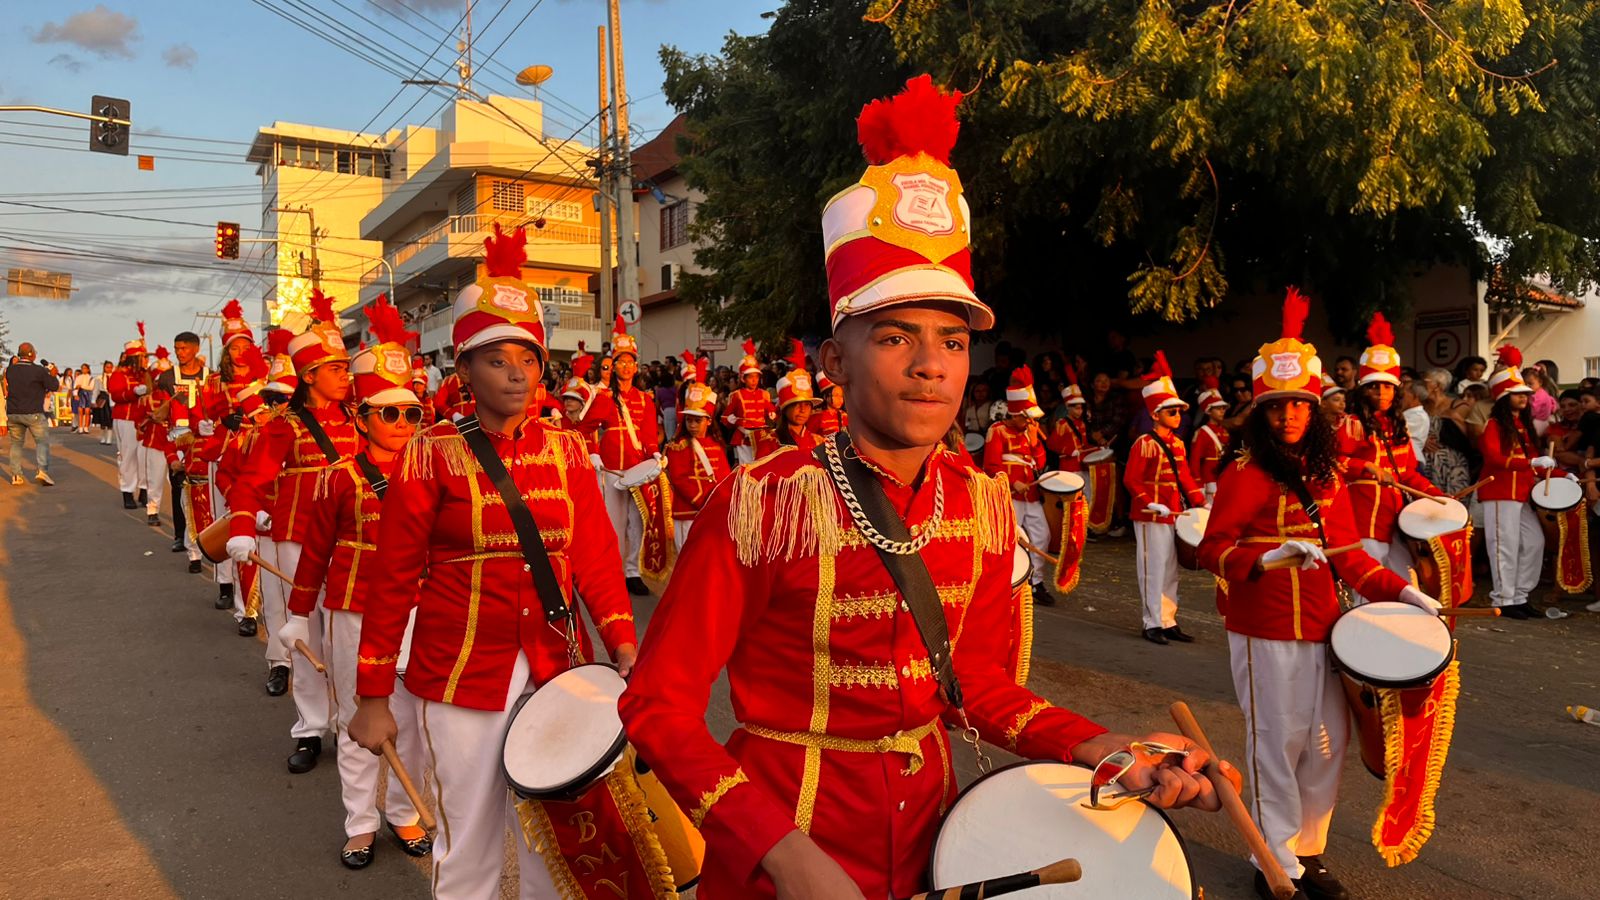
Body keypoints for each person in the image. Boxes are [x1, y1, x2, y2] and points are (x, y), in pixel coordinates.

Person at [618, 77, 1221, 900]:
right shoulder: (765, 502)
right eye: (896, 337)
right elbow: (658, 707)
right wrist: (782, 853)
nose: (932, 365)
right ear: (835, 361)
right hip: (784, 851)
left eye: (953, 341)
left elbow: (977, 687)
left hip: (939, 841)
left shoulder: (980, 502)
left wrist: (1107, 749)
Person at [346, 226, 639, 899]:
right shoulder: (430, 453)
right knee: (470, 841)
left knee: (555, 840)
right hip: (460, 675)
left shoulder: (567, 450)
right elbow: (393, 579)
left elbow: (594, 556)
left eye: (528, 359)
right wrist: (372, 696)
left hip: (557, 665)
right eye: (497, 359)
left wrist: (622, 642)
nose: (516, 373)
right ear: (464, 372)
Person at [1198, 287, 1441, 900]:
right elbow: (1209, 548)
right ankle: (1272, 861)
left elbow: (1351, 556)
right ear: (1261, 413)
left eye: (1298, 406)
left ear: (1314, 411)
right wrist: (1263, 559)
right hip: (1264, 629)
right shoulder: (1245, 472)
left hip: (1327, 628)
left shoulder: (1327, 474)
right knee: (1275, 747)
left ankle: (1307, 850)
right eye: (1276, 407)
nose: (1288, 418)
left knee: (1326, 745)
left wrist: (1405, 594)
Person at [281, 297, 432, 869]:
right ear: (361, 417)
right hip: (354, 609)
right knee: (357, 720)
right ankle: (360, 822)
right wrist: (298, 615)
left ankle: (403, 811)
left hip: (421, 608)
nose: (402, 426)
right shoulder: (338, 478)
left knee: (415, 722)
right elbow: (315, 552)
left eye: (412, 414)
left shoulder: (438, 470)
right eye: (389, 414)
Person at [226, 291, 358, 768]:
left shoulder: (359, 420)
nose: (346, 376)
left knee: (348, 637)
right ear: (309, 375)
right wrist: (244, 525)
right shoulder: (284, 424)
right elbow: (252, 480)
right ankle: (310, 727)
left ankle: (350, 721)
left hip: (350, 540)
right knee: (303, 637)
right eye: (336, 369)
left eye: (346, 368)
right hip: (296, 538)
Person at [1336, 314, 1442, 597]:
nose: (1381, 392)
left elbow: (1406, 473)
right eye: (1374, 386)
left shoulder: (1398, 426)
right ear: (1363, 389)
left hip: (1394, 519)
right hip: (1363, 517)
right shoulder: (1352, 423)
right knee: (1368, 586)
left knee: (1406, 582)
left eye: (1387, 386)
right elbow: (1335, 462)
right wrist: (1366, 467)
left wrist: (1437, 496)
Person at [1124, 352, 1206, 644]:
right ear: (1155, 415)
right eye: (1171, 412)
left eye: (1179, 411)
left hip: (1172, 511)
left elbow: (1185, 477)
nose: (1177, 416)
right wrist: (1148, 502)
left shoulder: (1178, 444)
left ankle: (1168, 620)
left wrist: (1200, 503)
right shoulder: (1144, 443)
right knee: (1153, 567)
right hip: (1150, 514)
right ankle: (1152, 622)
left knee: (1170, 569)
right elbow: (1131, 479)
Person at [1477, 345, 1555, 619]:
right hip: (1499, 492)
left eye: (1525, 393)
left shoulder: (1523, 426)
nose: (1524, 397)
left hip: (1520, 493)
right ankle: (1503, 598)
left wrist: (1559, 474)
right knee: (1503, 547)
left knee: (1534, 542)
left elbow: (1534, 462)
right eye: (1517, 393)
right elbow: (1494, 458)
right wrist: (1532, 463)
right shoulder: (1494, 425)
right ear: (1503, 397)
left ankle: (1519, 595)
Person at [598, 315, 660, 596]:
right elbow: (588, 428)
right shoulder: (603, 397)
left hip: (636, 469)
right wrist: (593, 453)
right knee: (613, 522)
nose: (625, 366)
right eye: (620, 362)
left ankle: (632, 572)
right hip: (611, 469)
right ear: (613, 366)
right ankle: (613, 569)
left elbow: (648, 435)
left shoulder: (644, 400)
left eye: (630, 362)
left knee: (637, 522)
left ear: (636, 367)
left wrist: (655, 453)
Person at [984, 366, 1050, 597]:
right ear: (1016, 414)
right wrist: (1013, 483)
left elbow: (1040, 462)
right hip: (1010, 496)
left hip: (1031, 495)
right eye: (1027, 417)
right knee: (1013, 539)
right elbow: (991, 467)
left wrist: (1035, 442)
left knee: (1042, 536)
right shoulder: (997, 431)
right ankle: (1012, 582)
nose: (1031, 421)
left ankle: (1036, 581)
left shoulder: (1029, 433)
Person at [663, 361, 731, 550]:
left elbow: (725, 477)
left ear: (708, 421)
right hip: (688, 511)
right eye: (689, 420)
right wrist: (704, 501)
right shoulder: (678, 446)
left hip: (712, 511)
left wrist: (723, 502)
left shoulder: (716, 445)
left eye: (697, 421)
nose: (692, 425)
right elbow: (679, 479)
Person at [159, 330, 211, 554]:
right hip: (177, 439)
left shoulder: (211, 376)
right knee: (179, 488)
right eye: (177, 348)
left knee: (206, 488)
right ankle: (180, 535)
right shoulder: (167, 378)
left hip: (204, 438)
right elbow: (161, 411)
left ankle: (207, 535)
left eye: (184, 348)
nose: (179, 353)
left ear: (196, 349)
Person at [5, 342, 59, 486]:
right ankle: (42, 471)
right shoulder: (38, 370)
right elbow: (54, 386)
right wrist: (52, 375)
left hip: (13, 412)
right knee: (41, 442)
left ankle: (16, 475)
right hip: (33, 412)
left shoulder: (10, 370)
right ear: (31, 354)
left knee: (16, 444)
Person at [753, 343, 821, 457]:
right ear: (784, 408)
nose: (802, 410)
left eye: (807, 404)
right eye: (797, 404)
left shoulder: (819, 441)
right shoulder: (770, 442)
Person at [108, 324, 150, 508]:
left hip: (145, 420)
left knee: (145, 457)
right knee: (129, 456)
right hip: (126, 419)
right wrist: (134, 392)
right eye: (142, 357)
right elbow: (116, 395)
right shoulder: (119, 375)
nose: (145, 360)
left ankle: (144, 489)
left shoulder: (145, 375)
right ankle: (127, 491)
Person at [137, 348, 178, 525]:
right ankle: (152, 511)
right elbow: (138, 423)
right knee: (154, 479)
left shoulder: (179, 397)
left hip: (175, 442)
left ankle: (184, 516)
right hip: (155, 442)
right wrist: (147, 420)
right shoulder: (146, 399)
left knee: (179, 483)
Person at [723, 339, 775, 465]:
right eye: (750, 377)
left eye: (756, 377)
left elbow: (771, 411)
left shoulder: (764, 394)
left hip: (761, 436)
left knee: (762, 466)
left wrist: (772, 414)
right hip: (743, 437)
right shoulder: (736, 395)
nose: (754, 380)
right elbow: (725, 417)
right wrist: (737, 422)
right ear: (743, 378)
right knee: (747, 468)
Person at [1189, 375, 1229, 505]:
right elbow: (1195, 461)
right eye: (1218, 408)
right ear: (1208, 411)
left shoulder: (1225, 431)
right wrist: (1198, 484)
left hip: (1224, 478)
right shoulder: (1203, 432)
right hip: (1210, 481)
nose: (1222, 411)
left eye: (1223, 408)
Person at [1043, 369, 1091, 472]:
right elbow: (1051, 444)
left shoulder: (1082, 423)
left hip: (1082, 464)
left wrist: (1098, 449)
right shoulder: (1062, 424)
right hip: (1068, 465)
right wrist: (1068, 451)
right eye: (1077, 408)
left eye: (1081, 408)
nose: (1080, 411)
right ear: (1068, 407)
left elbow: (1085, 444)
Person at [808, 370, 849, 437]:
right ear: (826, 397)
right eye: (836, 395)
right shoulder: (817, 416)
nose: (840, 399)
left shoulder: (844, 416)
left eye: (841, 396)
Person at [93, 360, 115, 444]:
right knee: (102, 419)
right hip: (102, 398)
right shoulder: (99, 378)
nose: (109, 369)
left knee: (110, 419)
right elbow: (96, 390)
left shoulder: (115, 377)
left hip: (112, 399)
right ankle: (103, 437)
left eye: (110, 367)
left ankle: (109, 438)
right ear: (104, 367)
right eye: (107, 367)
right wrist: (93, 400)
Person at [72, 364, 94, 433]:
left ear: (88, 369)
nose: (84, 370)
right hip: (80, 394)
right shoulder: (78, 377)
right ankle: (80, 426)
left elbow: (91, 387)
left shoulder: (91, 378)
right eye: (82, 368)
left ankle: (86, 427)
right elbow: (75, 387)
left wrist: (81, 386)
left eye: (85, 368)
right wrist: (75, 394)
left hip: (88, 394)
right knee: (80, 411)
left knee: (87, 411)